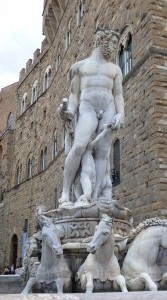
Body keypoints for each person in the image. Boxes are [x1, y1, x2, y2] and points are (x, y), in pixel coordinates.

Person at [59, 28, 124, 208]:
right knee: (79, 146)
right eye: (111, 43)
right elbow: (74, 95)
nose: (113, 47)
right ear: (100, 41)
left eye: (115, 44)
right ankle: (65, 193)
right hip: (87, 108)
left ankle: (93, 198)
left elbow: (118, 95)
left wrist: (121, 113)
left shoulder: (115, 69)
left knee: (103, 153)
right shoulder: (79, 67)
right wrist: (70, 111)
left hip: (108, 107)